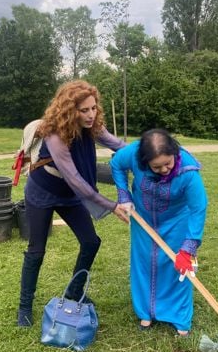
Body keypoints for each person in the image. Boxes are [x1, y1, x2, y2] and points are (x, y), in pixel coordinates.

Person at [17, 80, 129, 327]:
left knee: (91, 241)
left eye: (93, 108)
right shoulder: (55, 134)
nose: (91, 114)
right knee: (37, 250)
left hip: (68, 195)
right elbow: (76, 180)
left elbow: (119, 146)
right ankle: (24, 306)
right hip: (42, 193)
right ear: (70, 110)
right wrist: (112, 205)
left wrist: (150, 153)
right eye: (84, 110)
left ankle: (74, 291)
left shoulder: (92, 126)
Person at [110, 129, 208, 336]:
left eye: (168, 163)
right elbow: (116, 164)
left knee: (177, 269)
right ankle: (146, 312)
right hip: (143, 218)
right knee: (144, 262)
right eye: (156, 166)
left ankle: (179, 318)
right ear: (145, 162)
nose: (164, 169)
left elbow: (198, 208)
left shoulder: (188, 172)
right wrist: (123, 194)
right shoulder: (134, 153)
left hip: (176, 220)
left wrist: (188, 248)